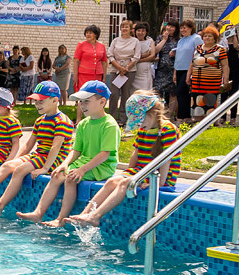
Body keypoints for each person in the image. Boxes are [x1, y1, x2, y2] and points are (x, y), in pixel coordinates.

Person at [68, 91, 181, 227]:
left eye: (140, 120)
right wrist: (128, 171)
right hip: (142, 171)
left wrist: (160, 184)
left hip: (160, 176)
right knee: (112, 181)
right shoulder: (144, 129)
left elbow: (166, 160)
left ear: (152, 113)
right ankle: (85, 214)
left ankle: (95, 217)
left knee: (124, 183)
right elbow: (136, 153)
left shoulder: (167, 129)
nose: (139, 125)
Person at [17, 80, 120, 226]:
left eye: (86, 101)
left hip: (102, 166)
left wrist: (82, 170)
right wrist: (64, 164)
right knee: (57, 175)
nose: (82, 106)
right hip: (84, 162)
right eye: (80, 102)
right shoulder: (84, 123)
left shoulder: (109, 125)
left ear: (102, 101)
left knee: (70, 178)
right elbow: (76, 150)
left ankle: (60, 220)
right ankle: (38, 213)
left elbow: (104, 155)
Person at [0, 81, 74, 215]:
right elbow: (29, 145)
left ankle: (0, 204)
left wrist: (45, 168)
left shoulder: (62, 121)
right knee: (8, 166)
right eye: (36, 101)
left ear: (55, 100)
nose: (37, 104)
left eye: (41, 101)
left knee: (20, 170)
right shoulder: (40, 120)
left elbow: (55, 148)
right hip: (40, 155)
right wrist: (14, 160)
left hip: (55, 159)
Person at [188, 25, 229, 122]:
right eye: (205, 36)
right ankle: (198, 122)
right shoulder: (198, 48)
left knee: (210, 103)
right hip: (197, 83)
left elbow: (225, 66)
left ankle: (210, 123)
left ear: (215, 38)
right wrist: (188, 76)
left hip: (211, 83)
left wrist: (225, 79)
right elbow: (192, 63)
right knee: (197, 103)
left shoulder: (220, 50)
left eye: (210, 36)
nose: (207, 38)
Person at [106, 19, 141, 125]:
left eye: (126, 27)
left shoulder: (135, 41)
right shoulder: (115, 40)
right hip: (115, 71)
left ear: (131, 29)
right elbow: (110, 55)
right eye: (122, 26)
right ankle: (111, 118)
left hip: (130, 71)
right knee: (114, 94)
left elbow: (136, 57)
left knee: (126, 95)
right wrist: (120, 68)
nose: (124, 29)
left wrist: (126, 68)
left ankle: (123, 119)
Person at [171, 19, 202, 123]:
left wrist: (191, 71)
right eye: (181, 28)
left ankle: (183, 117)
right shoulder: (181, 40)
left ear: (191, 28)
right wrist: (175, 73)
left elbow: (198, 55)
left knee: (182, 92)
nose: (182, 30)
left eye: (185, 27)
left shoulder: (196, 38)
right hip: (179, 69)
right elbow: (178, 57)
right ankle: (184, 117)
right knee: (180, 94)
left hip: (189, 70)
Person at [72, 25, 107, 96]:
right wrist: (75, 76)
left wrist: (104, 77)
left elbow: (104, 62)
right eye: (86, 33)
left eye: (90, 33)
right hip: (84, 75)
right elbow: (76, 61)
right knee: (84, 94)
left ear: (96, 34)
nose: (88, 34)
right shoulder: (81, 45)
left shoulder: (102, 46)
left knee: (95, 94)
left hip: (98, 75)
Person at [153, 21, 179, 112]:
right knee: (157, 91)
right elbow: (155, 50)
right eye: (168, 26)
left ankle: (170, 114)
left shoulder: (178, 39)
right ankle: (159, 113)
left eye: (172, 26)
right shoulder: (160, 38)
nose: (169, 28)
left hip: (173, 70)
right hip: (161, 69)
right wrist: (164, 39)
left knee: (172, 93)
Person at [132, 22, 155, 91]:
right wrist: (143, 56)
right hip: (134, 73)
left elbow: (152, 56)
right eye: (138, 30)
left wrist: (138, 60)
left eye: (143, 31)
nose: (140, 33)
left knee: (145, 92)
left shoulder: (150, 41)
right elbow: (130, 56)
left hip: (145, 73)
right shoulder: (132, 41)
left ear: (146, 32)